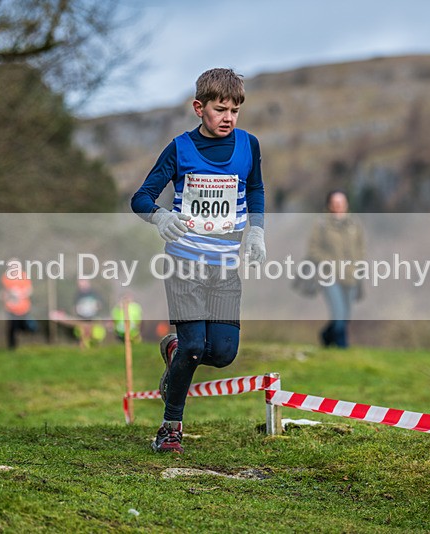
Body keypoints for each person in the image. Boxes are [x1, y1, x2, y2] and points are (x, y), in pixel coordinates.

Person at [131, 68, 266, 453]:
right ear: (198, 108)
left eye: (235, 110)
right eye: (220, 109)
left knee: (222, 353)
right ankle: (170, 428)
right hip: (184, 263)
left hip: (225, 266)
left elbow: (255, 188)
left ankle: (174, 353)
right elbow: (141, 197)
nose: (228, 117)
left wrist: (256, 230)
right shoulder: (179, 149)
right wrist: (160, 216)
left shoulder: (249, 146)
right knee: (193, 346)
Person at [306, 190, 365, 349]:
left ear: (347, 204)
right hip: (329, 276)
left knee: (345, 315)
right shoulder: (322, 224)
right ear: (329, 205)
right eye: (335, 202)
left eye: (342, 202)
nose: (339, 206)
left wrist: (359, 268)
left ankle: (326, 336)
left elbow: (360, 249)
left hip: (351, 276)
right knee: (339, 313)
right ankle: (342, 347)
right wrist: (329, 262)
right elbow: (313, 250)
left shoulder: (355, 224)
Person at [0, 258, 37, 350]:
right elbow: (1, 293)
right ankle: (12, 347)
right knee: (12, 327)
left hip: (23, 308)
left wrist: (20, 293)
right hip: (10, 308)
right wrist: (8, 294)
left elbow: (30, 290)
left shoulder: (24, 276)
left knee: (25, 326)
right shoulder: (5, 277)